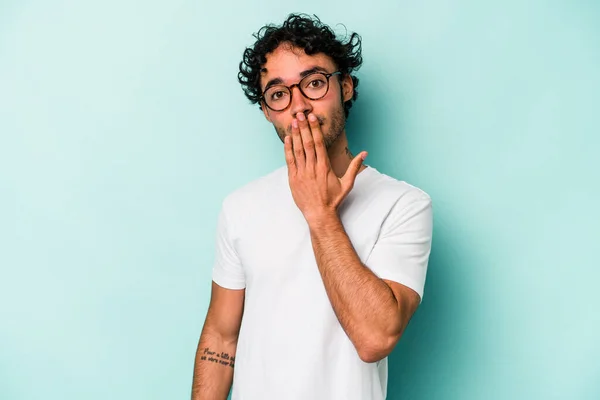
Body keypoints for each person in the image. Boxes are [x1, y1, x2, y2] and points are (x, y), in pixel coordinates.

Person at [191, 13, 433, 400]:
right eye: (279, 93)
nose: (299, 106)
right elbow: (221, 337)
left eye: (315, 83)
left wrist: (319, 213)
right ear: (267, 111)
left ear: (346, 87)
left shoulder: (403, 205)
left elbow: (375, 338)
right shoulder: (240, 207)